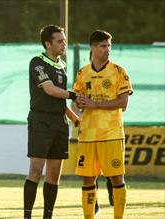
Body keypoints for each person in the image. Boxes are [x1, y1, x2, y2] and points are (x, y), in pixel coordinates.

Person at [73, 29, 133, 219]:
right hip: (88, 135)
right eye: (103, 46)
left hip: (111, 134)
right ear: (93, 48)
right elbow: (76, 101)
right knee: (88, 179)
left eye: (109, 46)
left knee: (117, 178)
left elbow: (123, 103)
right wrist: (78, 104)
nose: (108, 50)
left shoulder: (118, 71)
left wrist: (95, 103)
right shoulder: (83, 73)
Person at [23, 24, 80, 219]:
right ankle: (27, 216)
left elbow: (60, 99)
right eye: (60, 41)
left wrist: (76, 120)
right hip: (41, 121)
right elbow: (50, 90)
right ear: (48, 43)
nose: (64, 43)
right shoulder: (37, 62)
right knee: (36, 172)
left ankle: (48, 216)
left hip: (59, 123)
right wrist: (74, 95)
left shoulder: (62, 64)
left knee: (54, 176)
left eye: (64, 40)